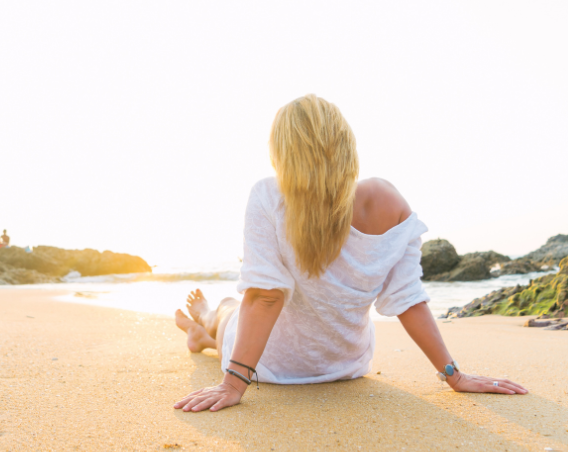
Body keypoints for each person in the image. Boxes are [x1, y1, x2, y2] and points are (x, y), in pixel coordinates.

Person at [173, 95, 527, 413]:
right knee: (229, 315)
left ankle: (205, 320)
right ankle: (203, 331)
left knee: (228, 311)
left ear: (281, 152)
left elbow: (265, 297)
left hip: (267, 367)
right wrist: (454, 374)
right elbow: (408, 300)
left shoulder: (268, 195)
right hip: (345, 368)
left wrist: (233, 383)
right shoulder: (386, 201)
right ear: (345, 145)